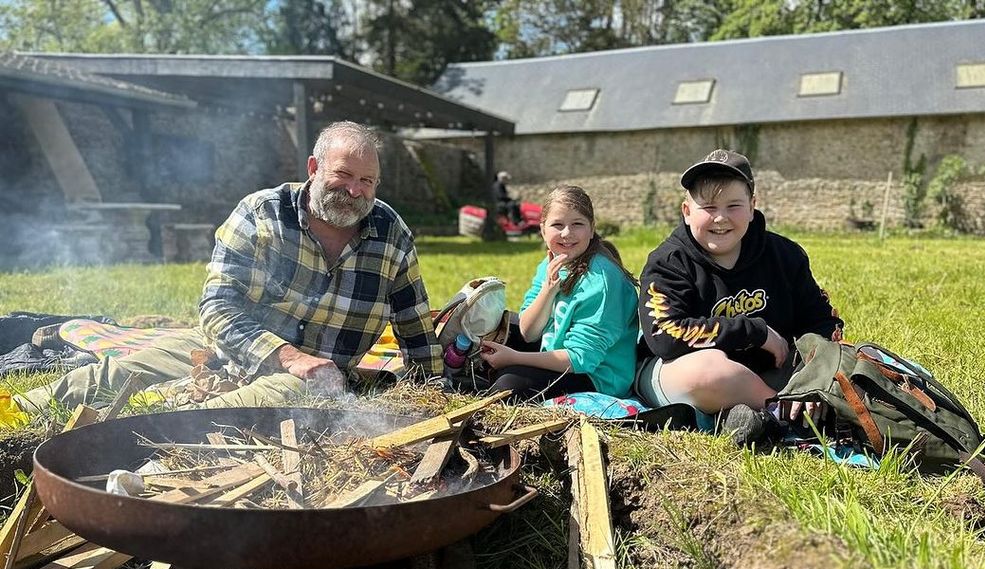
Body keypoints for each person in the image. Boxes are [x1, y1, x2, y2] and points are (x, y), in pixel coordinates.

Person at [13, 121, 442, 415]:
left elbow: (414, 325)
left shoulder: (391, 234)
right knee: (120, 371)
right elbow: (218, 308)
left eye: (367, 181)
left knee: (225, 411)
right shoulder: (260, 213)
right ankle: (15, 416)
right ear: (313, 169)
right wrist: (287, 355)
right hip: (227, 347)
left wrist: (436, 394)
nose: (354, 190)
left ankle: (133, 433)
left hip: (315, 380)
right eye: (344, 174)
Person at [634, 149, 843, 444]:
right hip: (683, 374)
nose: (720, 218)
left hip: (770, 372)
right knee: (709, 371)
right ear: (686, 211)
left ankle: (746, 420)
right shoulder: (668, 262)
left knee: (843, 364)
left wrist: (812, 378)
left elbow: (820, 321)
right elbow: (665, 338)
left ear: (752, 206)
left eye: (734, 205)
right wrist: (754, 332)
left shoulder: (785, 255)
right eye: (708, 207)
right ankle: (790, 417)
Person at [480, 185, 639, 400]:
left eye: (577, 224)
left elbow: (581, 358)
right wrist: (548, 290)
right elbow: (529, 333)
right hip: (556, 350)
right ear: (543, 229)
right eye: (557, 225)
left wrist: (515, 358)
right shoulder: (551, 264)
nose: (566, 233)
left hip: (596, 377)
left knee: (507, 386)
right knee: (494, 328)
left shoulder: (602, 280)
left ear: (591, 229)